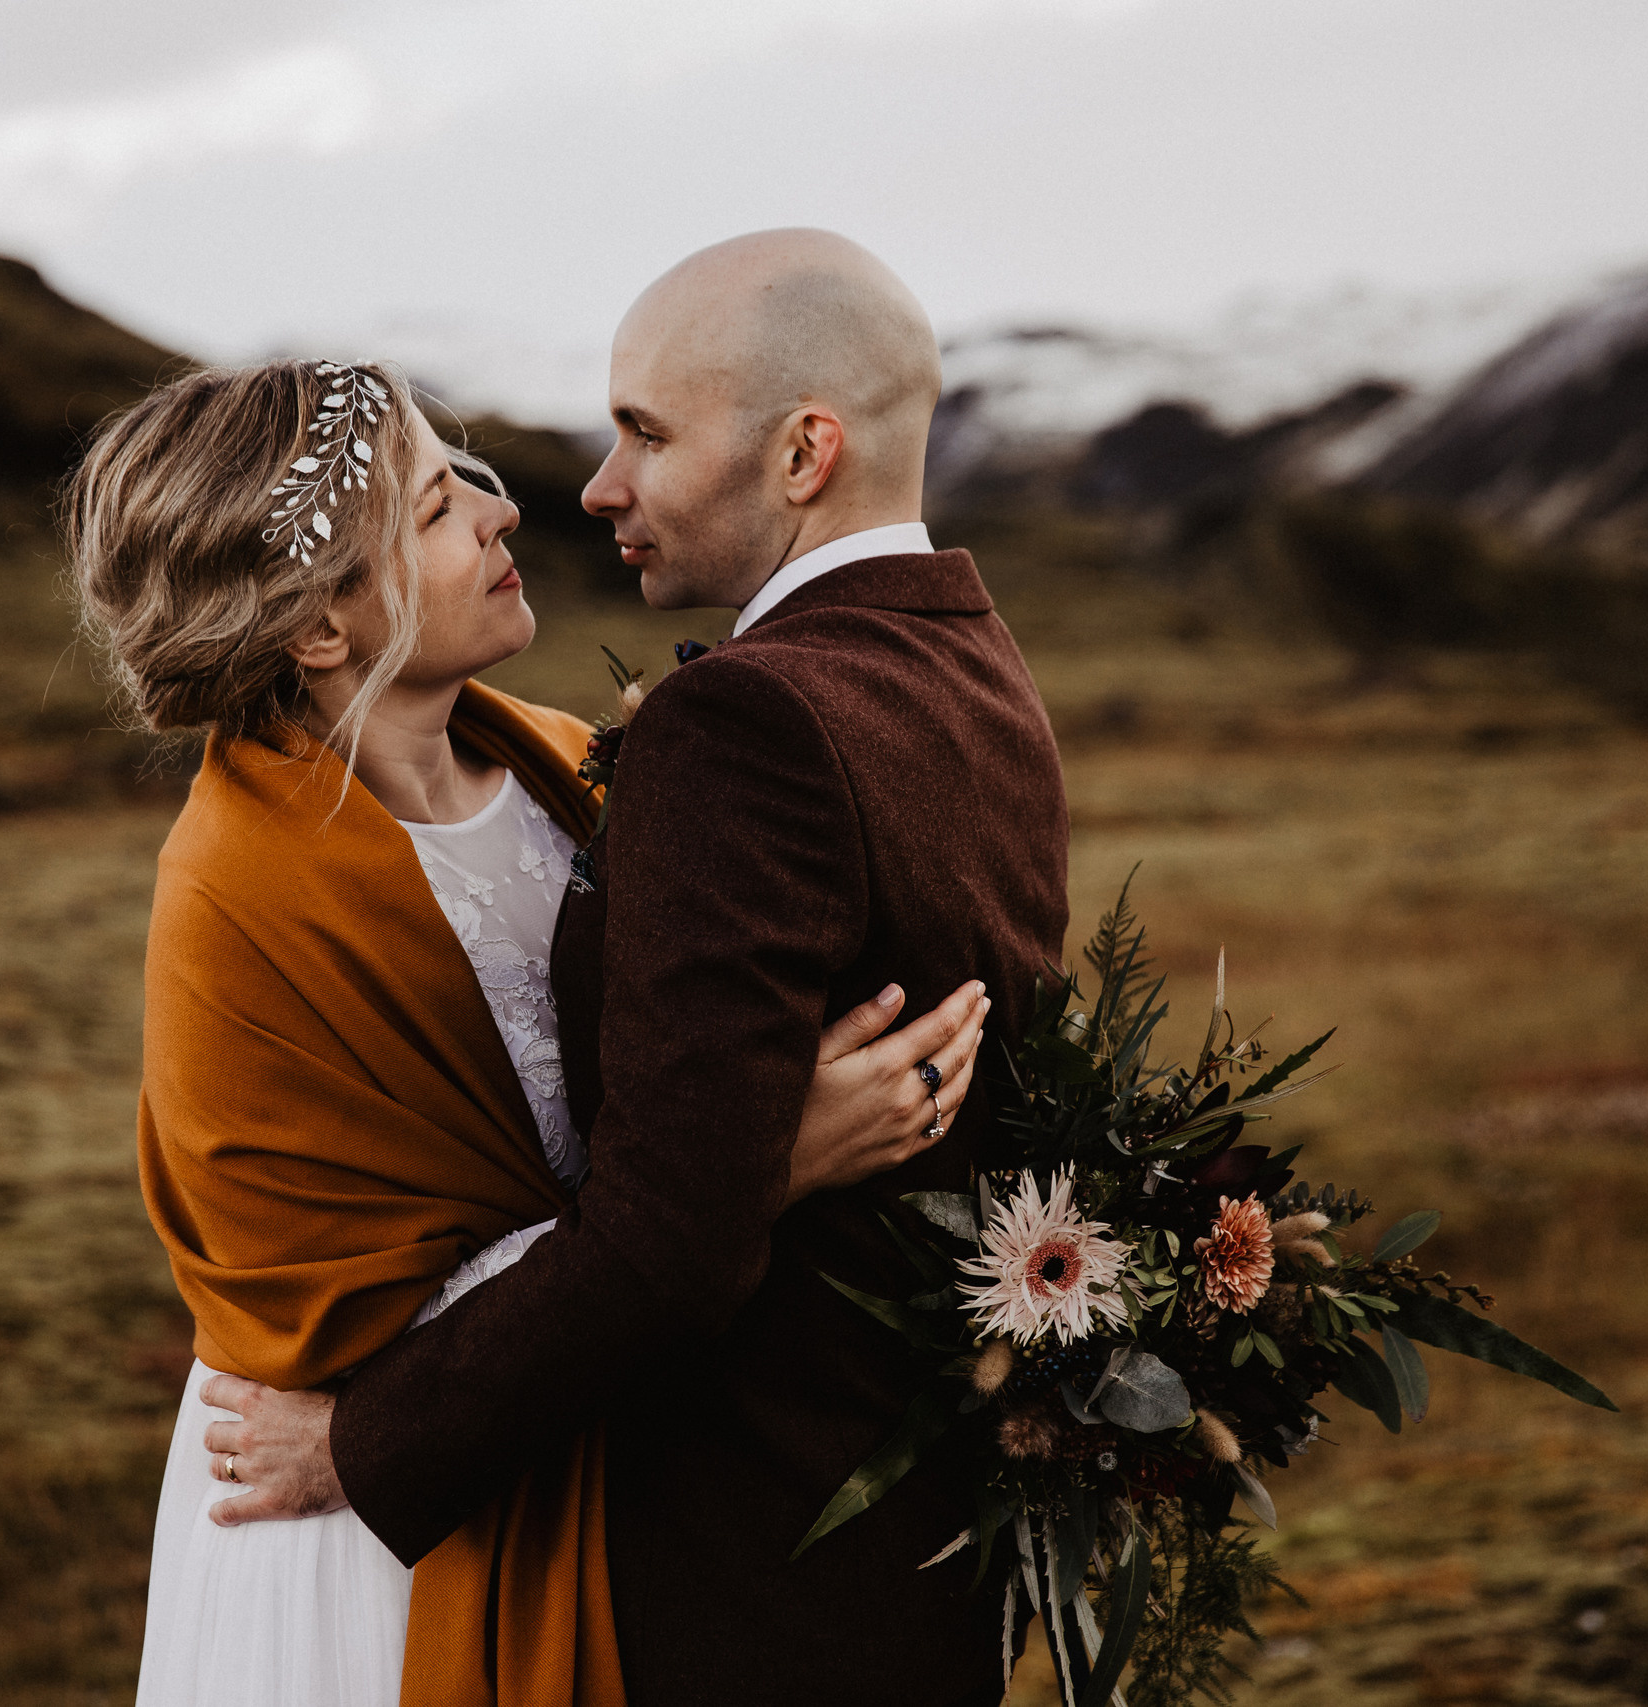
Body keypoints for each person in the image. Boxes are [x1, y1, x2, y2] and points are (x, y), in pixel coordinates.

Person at [206, 231, 1071, 1706]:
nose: (596, 488)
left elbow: (671, 1240)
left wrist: (363, 1445)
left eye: (645, 436)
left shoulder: (744, 724)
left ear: (805, 454)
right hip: (919, 1540)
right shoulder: (972, 661)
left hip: (755, 1567)